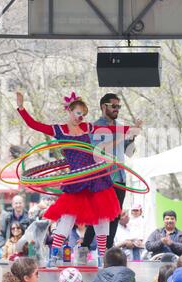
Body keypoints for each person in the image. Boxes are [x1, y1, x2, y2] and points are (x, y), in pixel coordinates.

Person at [16, 92, 138, 265]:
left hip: (95, 179)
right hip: (77, 182)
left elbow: (111, 129)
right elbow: (35, 125)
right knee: (66, 220)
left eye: (83, 115)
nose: (80, 118)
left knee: (102, 219)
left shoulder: (87, 128)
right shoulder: (59, 130)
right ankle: (53, 257)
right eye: (78, 113)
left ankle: (101, 259)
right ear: (70, 111)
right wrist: (21, 108)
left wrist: (131, 129)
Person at [82, 93, 143, 252]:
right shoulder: (94, 127)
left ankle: (108, 248)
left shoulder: (121, 127)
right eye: (114, 106)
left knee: (115, 214)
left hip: (119, 177)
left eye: (119, 106)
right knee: (98, 214)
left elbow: (129, 152)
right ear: (104, 107)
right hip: (101, 178)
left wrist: (132, 137)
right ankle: (85, 246)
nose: (117, 109)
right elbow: (93, 152)